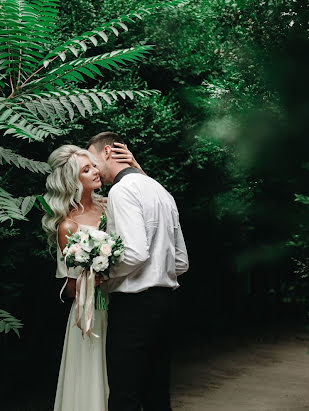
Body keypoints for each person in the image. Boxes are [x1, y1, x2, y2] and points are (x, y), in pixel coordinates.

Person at [87, 131, 189, 411]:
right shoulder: (160, 190)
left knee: (124, 394)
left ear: (107, 152)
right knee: (157, 393)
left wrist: (102, 274)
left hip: (134, 306)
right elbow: (181, 262)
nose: (94, 170)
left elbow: (135, 252)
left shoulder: (121, 190)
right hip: (167, 302)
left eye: (93, 161)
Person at [42, 143, 143, 411]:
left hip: (121, 304)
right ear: (73, 181)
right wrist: (95, 278)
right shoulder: (68, 225)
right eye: (86, 170)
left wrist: (135, 168)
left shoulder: (111, 206)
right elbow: (70, 286)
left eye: (93, 165)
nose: (95, 171)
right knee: (89, 376)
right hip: (89, 312)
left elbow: (145, 201)